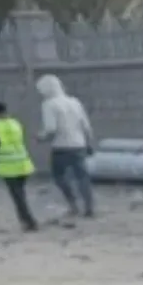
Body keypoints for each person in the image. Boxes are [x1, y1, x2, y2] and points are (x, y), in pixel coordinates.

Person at [35, 74, 95, 219]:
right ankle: (89, 207)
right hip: (79, 144)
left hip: (61, 147)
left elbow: (51, 129)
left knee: (59, 177)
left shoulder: (49, 104)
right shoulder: (75, 102)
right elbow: (86, 125)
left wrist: (40, 137)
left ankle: (73, 205)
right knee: (82, 177)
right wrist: (89, 143)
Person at [0, 101, 37, 233]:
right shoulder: (15, 123)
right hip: (23, 163)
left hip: (9, 166)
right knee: (20, 194)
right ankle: (27, 220)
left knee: (17, 195)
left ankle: (29, 221)